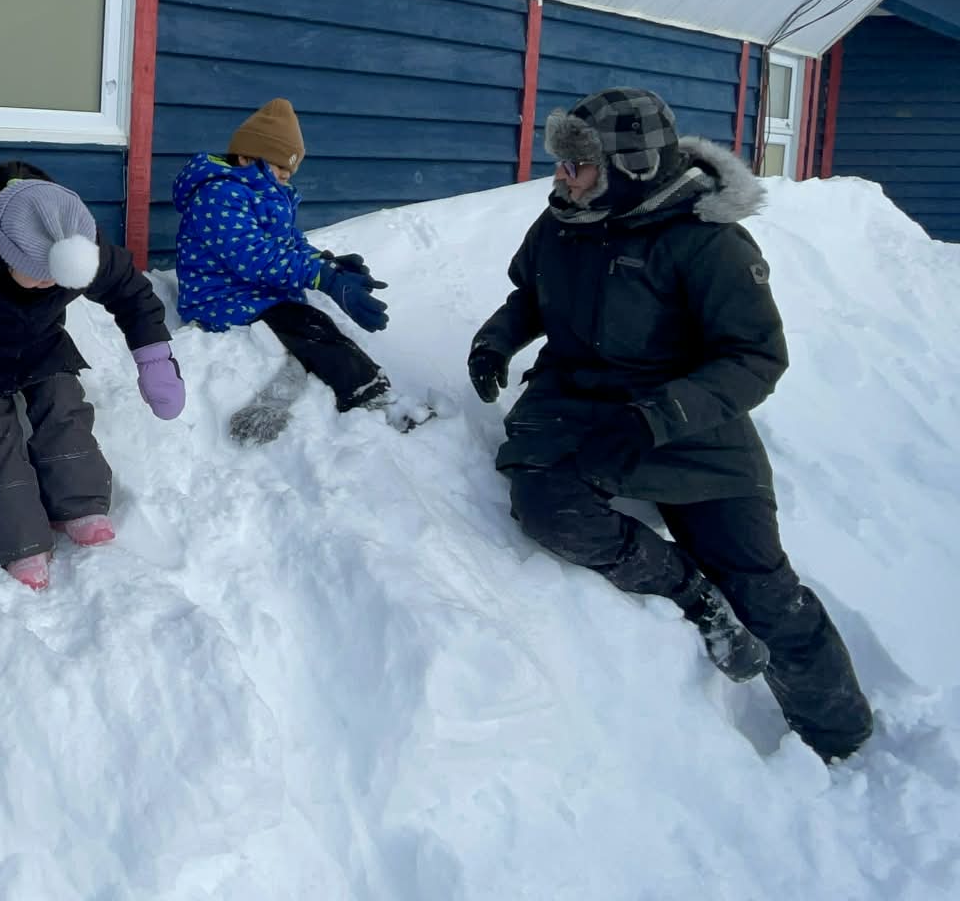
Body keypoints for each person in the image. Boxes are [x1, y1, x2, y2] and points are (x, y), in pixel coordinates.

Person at [469, 87, 873, 763]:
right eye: (562, 164)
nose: (562, 177)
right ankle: (692, 595)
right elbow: (530, 296)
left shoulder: (705, 241)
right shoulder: (563, 223)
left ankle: (841, 737)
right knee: (549, 508)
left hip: (690, 421)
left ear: (628, 166)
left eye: (578, 165)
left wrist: (657, 418)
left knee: (764, 587)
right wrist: (496, 342)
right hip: (575, 401)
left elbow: (755, 357)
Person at [0, 163, 184, 590]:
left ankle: (80, 504)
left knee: (64, 406)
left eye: (59, 278)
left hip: (42, 344)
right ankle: (18, 540)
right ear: (5, 255)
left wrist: (155, 360)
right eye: (40, 275)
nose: (51, 284)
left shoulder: (79, 241)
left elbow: (131, 294)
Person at [172, 97, 430, 440]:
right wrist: (319, 277)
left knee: (308, 325)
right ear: (247, 157)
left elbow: (289, 242)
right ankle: (370, 395)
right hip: (220, 298)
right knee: (311, 325)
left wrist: (327, 263)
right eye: (279, 170)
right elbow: (254, 257)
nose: (283, 179)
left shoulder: (266, 194)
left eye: (288, 174)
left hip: (257, 293)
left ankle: (312, 375)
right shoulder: (219, 195)